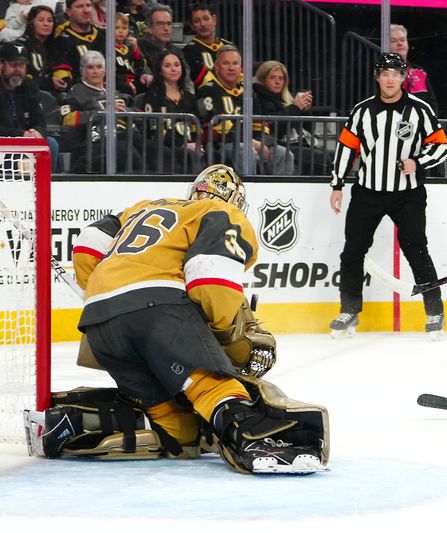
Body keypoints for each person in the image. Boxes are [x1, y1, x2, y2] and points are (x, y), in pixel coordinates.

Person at [64, 164, 326, 473]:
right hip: (158, 309)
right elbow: (209, 278)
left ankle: (106, 426)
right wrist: (226, 337)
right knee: (211, 384)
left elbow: (86, 244)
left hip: (99, 322)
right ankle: (253, 436)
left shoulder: (142, 207)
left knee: (180, 430)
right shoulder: (219, 211)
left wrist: (106, 292)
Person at [329, 52, 447, 340]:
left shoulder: (419, 110)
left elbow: (442, 146)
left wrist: (417, 162)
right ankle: (349, 309)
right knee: (353, 251)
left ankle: (435, 311)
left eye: (395, 74)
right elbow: (346, 149)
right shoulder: (361, 111)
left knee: (417, 250)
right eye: (385, 74)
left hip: (407, 194)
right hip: (367, 191)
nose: (390, 79)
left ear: (403, 77)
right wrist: (337, 185)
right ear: (377, 77)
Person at [196, 45, 293, 175]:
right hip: (219, 145)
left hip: (250, 142)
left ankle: (279, 194)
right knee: (245, 151)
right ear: (217, 67)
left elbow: (260, 126)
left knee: (283, 153)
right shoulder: (207, 91)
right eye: (226, 63)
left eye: (235, 63)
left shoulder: (248, 92)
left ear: (240, 67)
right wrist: (250, 142)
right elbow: (220, 130)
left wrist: (264, 143)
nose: (231, 68)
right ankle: (247, 192)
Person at [59, 50, 143, 172]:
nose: (95, 71)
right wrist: (103, 113)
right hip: (96, 141)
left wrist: (126, 111)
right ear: (82, 70)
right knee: (126, 151)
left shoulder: (115, 93)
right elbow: (68, 119)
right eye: (90, 67)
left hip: (129, 136)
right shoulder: (76, 92)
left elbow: (139, 114)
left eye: (99, 67)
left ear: (105, 70)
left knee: (159, 151)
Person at [253, 59, 329, 175]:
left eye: (281, 78)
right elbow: (272, 127)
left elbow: (308, 129)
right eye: (272, 78)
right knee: (320, 158)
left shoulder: (287, 99)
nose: (277, 82)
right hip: (277, 144)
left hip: (297, 142)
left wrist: (304, 110)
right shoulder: (258, 97)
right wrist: (295, 108)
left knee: (333, 155)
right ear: (263, 79)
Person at [0, 42, 59, 170]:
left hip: (25, 140)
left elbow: (39, 119)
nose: (18, 70)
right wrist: (21, 134)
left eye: (22, 65)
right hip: (3, 141)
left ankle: (46, 186)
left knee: (51, 144)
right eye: (13, 65)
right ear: (1, 65)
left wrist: (37, 132)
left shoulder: (29, 85)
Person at [142, 49, 202, 174]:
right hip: (164, 147)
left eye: (176, 65)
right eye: (167, 66)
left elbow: (196, 128)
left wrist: (195, 144)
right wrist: (181, 145)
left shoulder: (189, 97)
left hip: (189, 147)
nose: (173, 69)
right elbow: (154, 129)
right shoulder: (153, 96)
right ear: (160, 70)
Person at [51, 0, 107, 92]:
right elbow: (63, 78)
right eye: (80, 6)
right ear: (69, 12)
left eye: (88, 5)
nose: (86, 10)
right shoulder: (62, 40)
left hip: (110, 92)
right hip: (80, 95)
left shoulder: (104, 35)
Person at [137, 3, 191, 93]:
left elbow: (187, 81)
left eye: (169, 24)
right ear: (149, 27)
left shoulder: (176, 51)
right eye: (160, 24)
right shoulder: (139, 48)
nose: (166, 28)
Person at [182, 3, 233, 89]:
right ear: (192, 26)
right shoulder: (189, 50)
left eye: (206, 19)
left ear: (214, 20)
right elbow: (204, 82)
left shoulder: (229, 46)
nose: (203, 24)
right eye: (197, 21)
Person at [389, 23, 437, 112]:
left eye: (402, 40)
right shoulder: (383, 72)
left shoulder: (419, 71)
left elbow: (432, 103)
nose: (399, 43)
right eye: (393, 41)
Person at [17, 4, 57, 92]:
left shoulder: (55, 45)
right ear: (31, 23)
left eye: (50, 20)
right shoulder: (21, 45)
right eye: (41, 20)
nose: (46, 24)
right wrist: (50, 83)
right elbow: (20, 78)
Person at [113, 12, 146, 96]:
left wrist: (136, 49)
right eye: (117, 28)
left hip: (133, 80)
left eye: (124, 28)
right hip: (119, 83)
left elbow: (140, 66)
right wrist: (127, 81)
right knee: (127, 89)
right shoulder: (109, 50)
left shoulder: (129, 48)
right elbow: (115, 73)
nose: (121, 31)